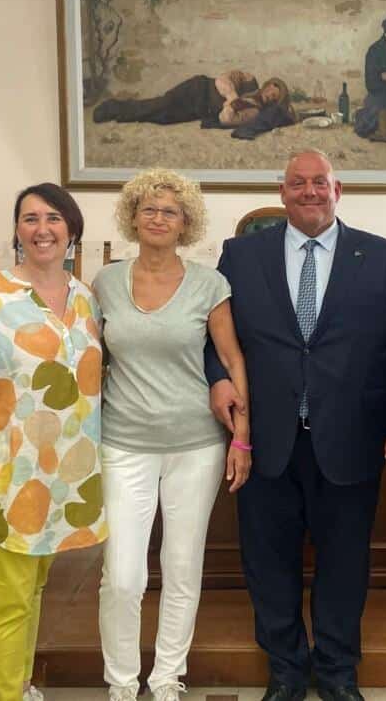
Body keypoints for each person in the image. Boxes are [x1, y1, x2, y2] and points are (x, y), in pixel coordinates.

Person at [205, 149, 386, 701]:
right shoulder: (240, 255)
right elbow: (214, 336)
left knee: (345, 562)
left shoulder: (382, 257)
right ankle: (285, 669)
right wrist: (218, 379)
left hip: (352, 436)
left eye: (320, 182)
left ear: (338, 190)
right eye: (298, 183)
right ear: (282, 192)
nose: (310, 191)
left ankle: (336, 670)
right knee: (268, 561)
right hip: (265, 437)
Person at [0, 182, 106, 701]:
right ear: (16, 230)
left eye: (54, 218)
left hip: (60, 480)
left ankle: (17, 686)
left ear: (72, 230)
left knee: (31, 592)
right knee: (7, 603)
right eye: (30, 218)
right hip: (3, 480)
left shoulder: (86, 298)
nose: (42, 229)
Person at [94, 168, 251, 701]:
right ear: (133, 217)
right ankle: (121, 682)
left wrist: (242, 436)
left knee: (182, 567)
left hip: (195, 445)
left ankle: (166, 678)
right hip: (123, 442)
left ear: (186, 223)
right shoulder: (105, 282)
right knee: (122, 575)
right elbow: (89, 358)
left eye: (171, 211)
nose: (159, 218)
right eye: (149, 209)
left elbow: (232, 360)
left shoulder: (210, 284)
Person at [92, 70, 291, 128]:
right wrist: (232, 97)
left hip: (199, 109)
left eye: (274, 97)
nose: (269, 95)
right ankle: (112, 108)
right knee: (159, 104)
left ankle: (122, 116)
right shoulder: (248, 79)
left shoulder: (254, 111)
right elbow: (223, 79)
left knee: (161, 118)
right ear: (267, 84)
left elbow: (226, 119)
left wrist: (230, 107)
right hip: (197, 88)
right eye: (271, 90)